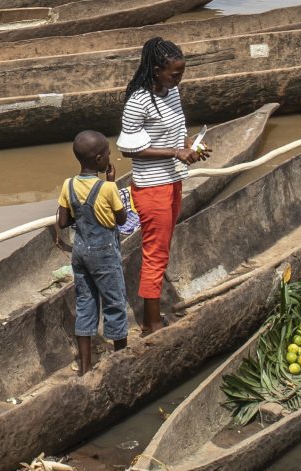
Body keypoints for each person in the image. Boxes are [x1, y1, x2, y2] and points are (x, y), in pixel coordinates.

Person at [115, 35, 206, 336]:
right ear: (156, 70)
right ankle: (150, 324)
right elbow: (128, 149)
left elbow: (178, 130)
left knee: (161, 249)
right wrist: (174, 152)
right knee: (155, 253)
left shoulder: (172, 92)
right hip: (152, 187)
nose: (179, 78)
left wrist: (190, 144)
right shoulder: (138, 100)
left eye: (182, 72)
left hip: (173, 179)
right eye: (174, 73)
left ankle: (151, 317)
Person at [54, 129, 134, 376]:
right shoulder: (108, 189)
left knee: (86, 304)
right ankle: (120, 360)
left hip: (80, 250)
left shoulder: (68, 185)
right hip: (104, 253)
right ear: (100, 160)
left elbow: (64, 221)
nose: (111, 157)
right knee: (115, 302)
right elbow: (121, 220)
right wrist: (111, 183)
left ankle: (85, 368)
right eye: (109, 153)